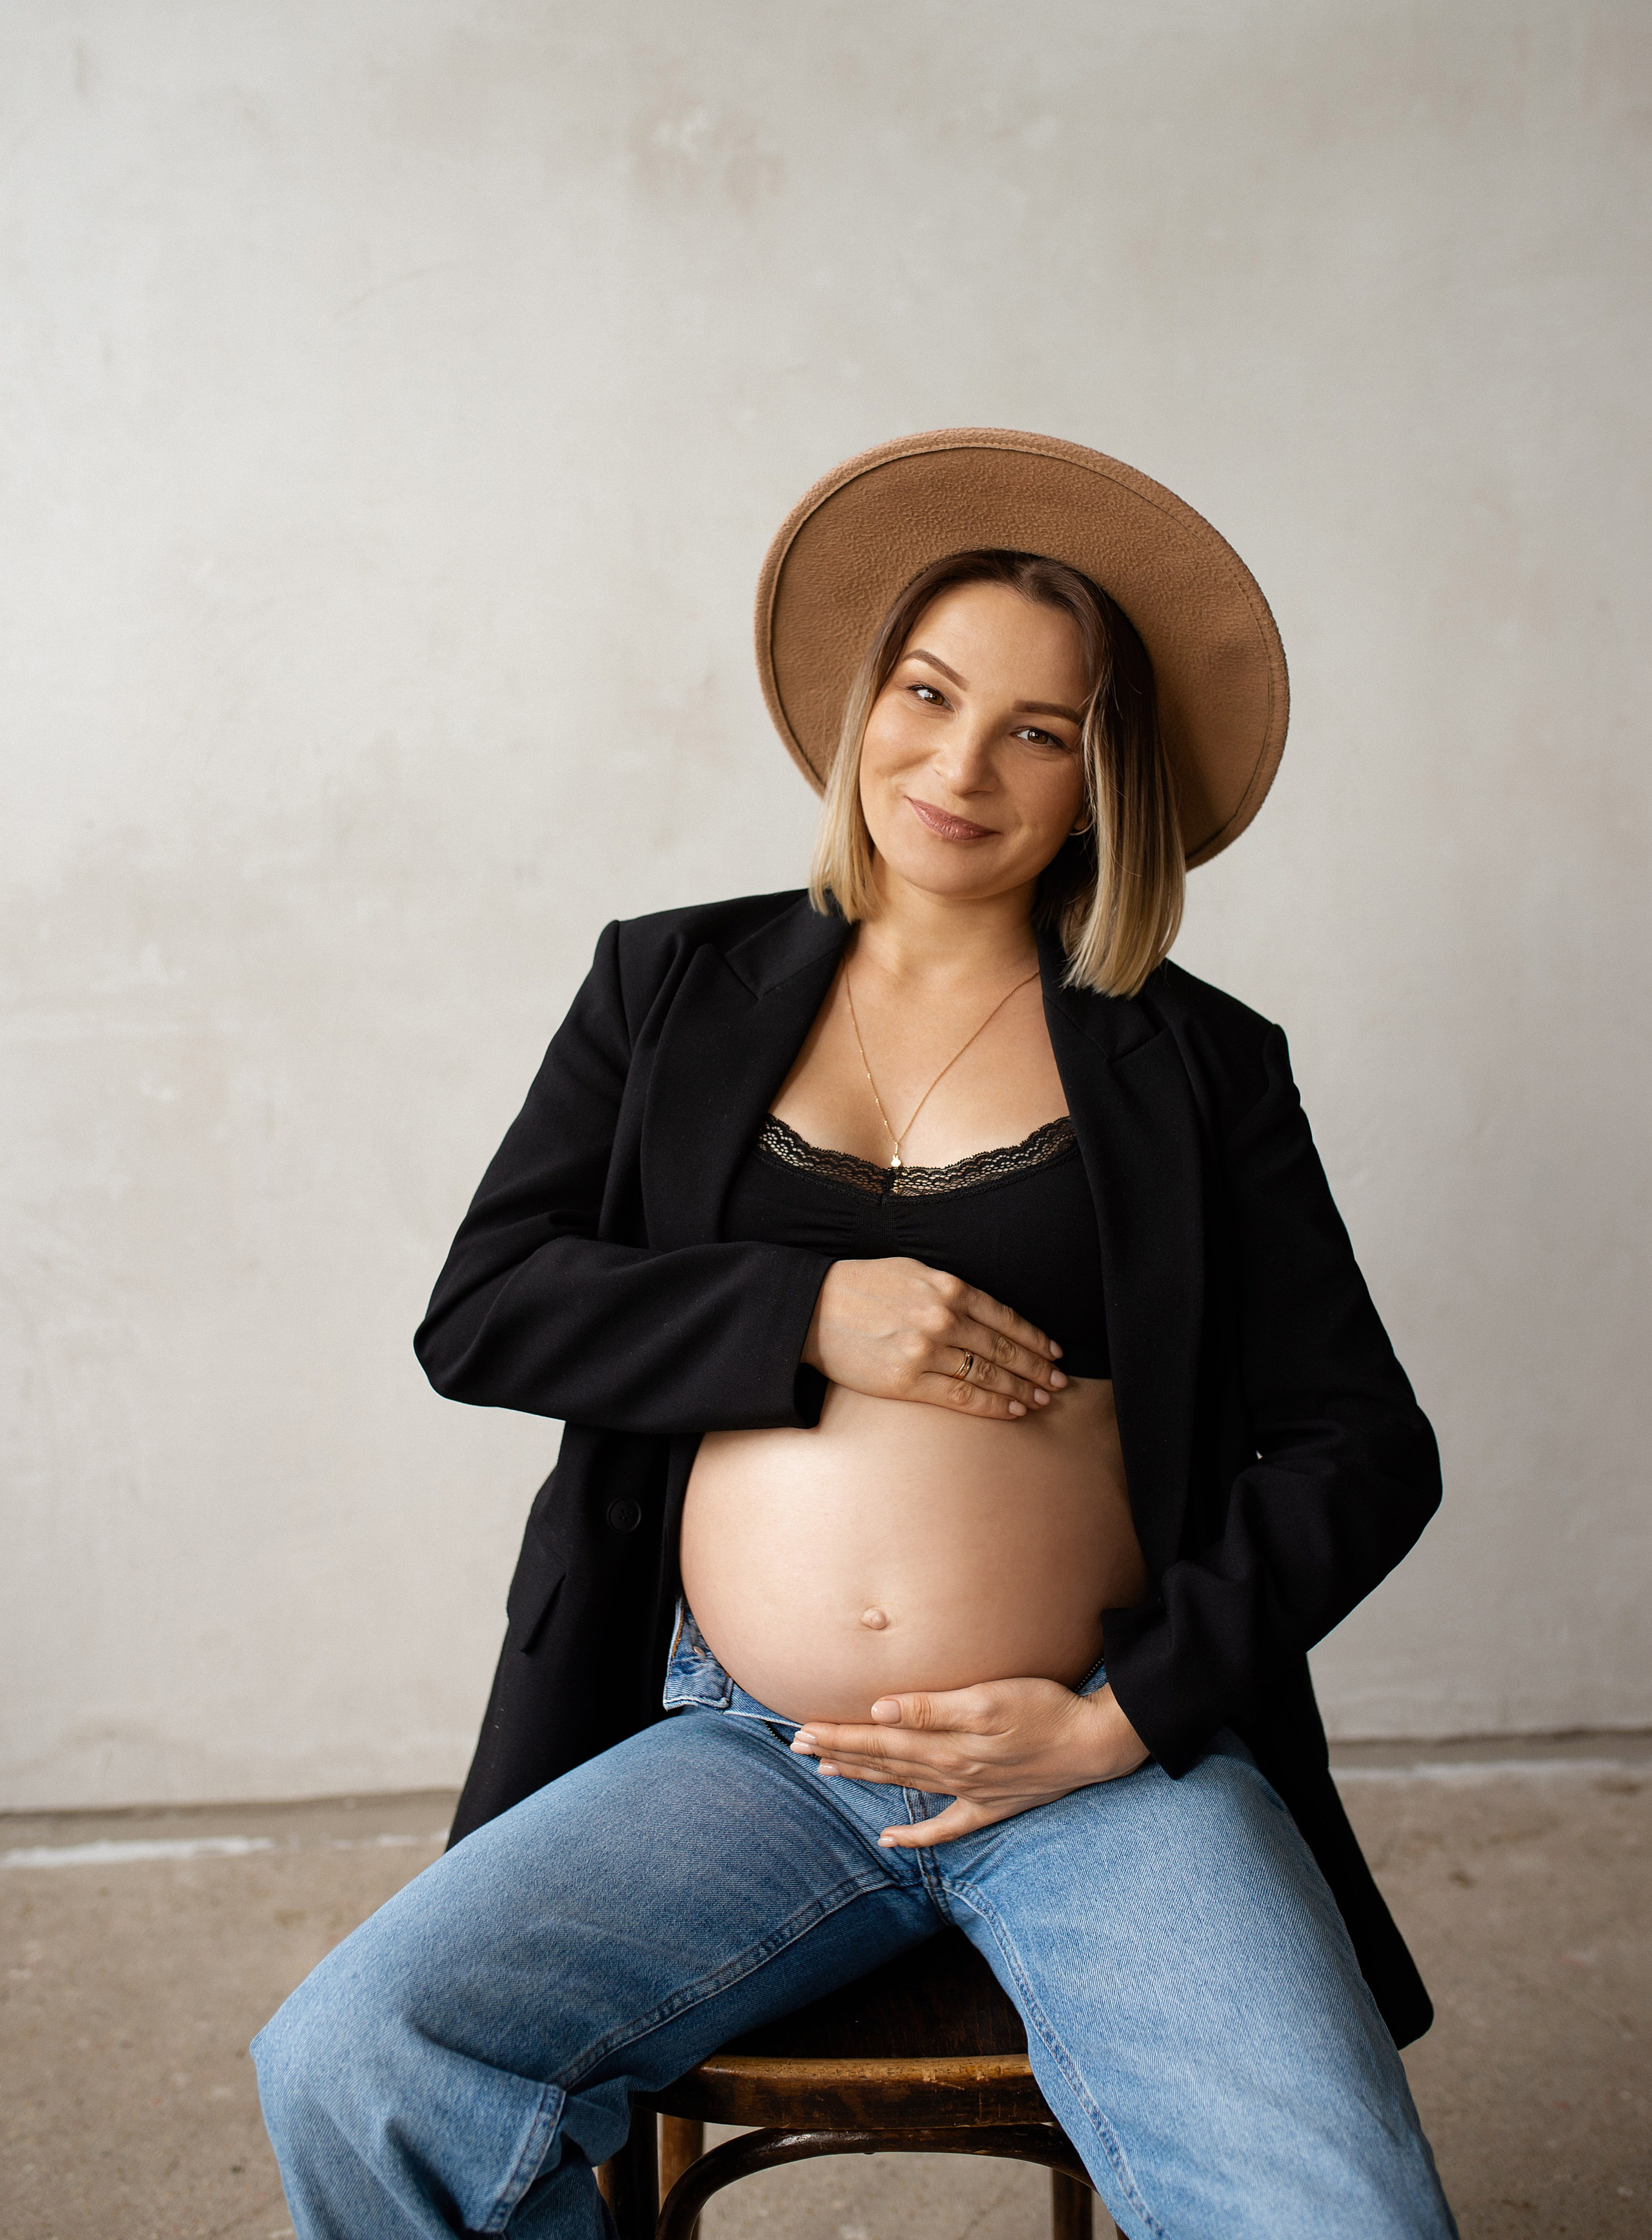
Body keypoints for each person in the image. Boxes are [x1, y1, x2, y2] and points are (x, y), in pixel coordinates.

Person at [253, 430, 1457, 2240]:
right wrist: (806, 1309)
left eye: (1037, 730)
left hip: (1090, 1756)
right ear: (861, 706)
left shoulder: (1198, 1060)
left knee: (1339, 2217)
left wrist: (1122, 1713)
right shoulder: (668, 987)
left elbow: (1366, 1443)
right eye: (928, 691)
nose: (961, 763)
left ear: (1097, 780)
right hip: (753, 1752)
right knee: (354, 2058)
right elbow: (483, 1308)